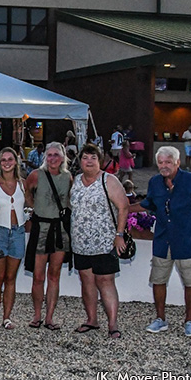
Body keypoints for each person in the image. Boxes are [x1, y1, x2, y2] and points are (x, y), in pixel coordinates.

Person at [132, 146, 191, 338]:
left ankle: (189, 321)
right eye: (161, 162)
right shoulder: (155, 183)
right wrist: (122, 207)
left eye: (168, 162)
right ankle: (160, 318)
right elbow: (148, 204)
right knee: (158, 279)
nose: (164, 166)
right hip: (163, 240)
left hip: (187, 240)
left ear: (177, 162)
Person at [69, 143, 128, 339]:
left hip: (104, 241)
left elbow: (123, 207)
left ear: (100, 160)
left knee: (105, 281)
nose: (89, 161)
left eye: (93, 158)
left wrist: (119, 235)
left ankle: (112, 323)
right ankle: (91, 319)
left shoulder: (108, 180)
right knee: (86, 281)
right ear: (80, 161)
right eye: (85, 158)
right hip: (80, 243)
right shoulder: (75, 180)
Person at [24, 141, 71, 330]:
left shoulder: (68, 177)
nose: (53, 158)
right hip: (41, 227)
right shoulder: (36, 175)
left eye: (56, 155)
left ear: (62, 157)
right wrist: (35, 209)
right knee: (38, 276)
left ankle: (50, 317)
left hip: (59, 229)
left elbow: (69, 201)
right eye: (49, 155)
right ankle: (37, 315)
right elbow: (27, 192)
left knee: (54, 275)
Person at [0, 147, 27, 331]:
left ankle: (7, 317)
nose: (7, 163)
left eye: (10, 159)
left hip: (17, 232)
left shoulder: (22, 184)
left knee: (11, 278)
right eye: (3, 160)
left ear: (16, 162)